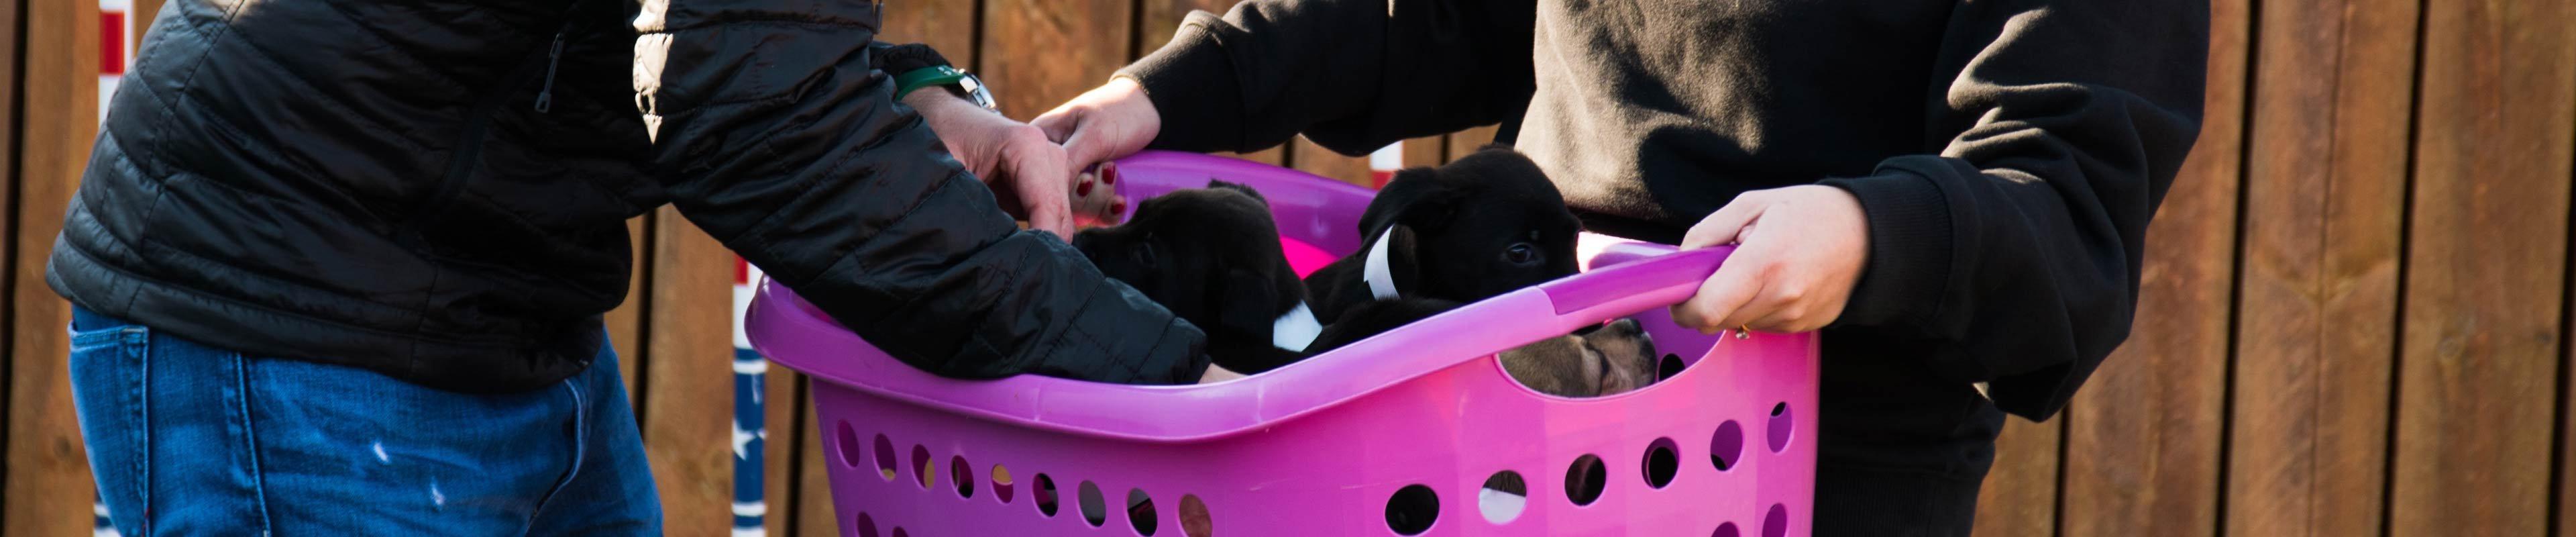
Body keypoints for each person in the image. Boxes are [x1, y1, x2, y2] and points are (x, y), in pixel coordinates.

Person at [1033, 1, 2208, 534]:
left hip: (1791, 469)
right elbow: (1434, 22)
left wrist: (1862, 236)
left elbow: (2068, 215)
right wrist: (1157, 96)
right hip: (1473, 429)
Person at [52, 1, 1222, 534]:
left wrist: (915, 98)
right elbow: (757, 117)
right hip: (293, 325)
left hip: (501, 324)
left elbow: (700, 39)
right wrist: (1173, 376)